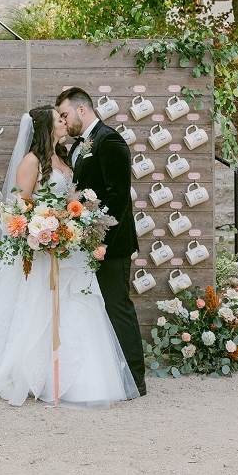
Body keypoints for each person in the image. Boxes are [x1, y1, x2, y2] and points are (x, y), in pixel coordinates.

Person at [0, 105, 140, 409]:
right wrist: (42, 229)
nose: (65, 122)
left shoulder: (66, 157)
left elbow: (72, 198)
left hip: (70, 249)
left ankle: (84, 378)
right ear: (47, 127)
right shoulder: (31, 162)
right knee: (39, 313)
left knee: (79, 308)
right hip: (44, 249)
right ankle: (36, 374)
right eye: (60, 119)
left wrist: (74, 220)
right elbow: (17, 208)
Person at [56, 88, 147, 397]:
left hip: (112, 243)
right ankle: (111, 374)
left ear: (82, 109)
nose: (64, 122)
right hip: (87, 244)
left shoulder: (110, 141)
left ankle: (136, 378)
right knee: (97, 309)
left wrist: (102, 241)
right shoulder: (78, 147)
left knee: (117, 305)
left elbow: (119, 196)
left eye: (66, 115)